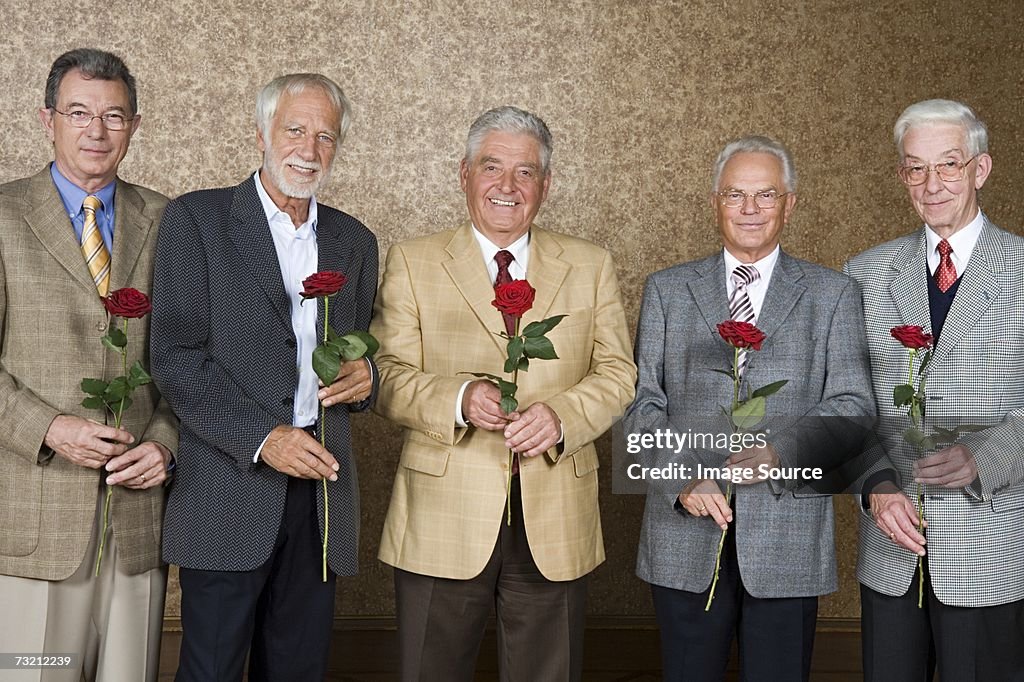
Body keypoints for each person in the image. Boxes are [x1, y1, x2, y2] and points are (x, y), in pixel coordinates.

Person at [371, 105, 636, 681]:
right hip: (442, 515)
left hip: (555, 513)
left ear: (546, 184)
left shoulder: (590, 265)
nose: (507, 187)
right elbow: (384, 375)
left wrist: (562, 416)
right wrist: (458, 398)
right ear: (463, 173)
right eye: (492, 167)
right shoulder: (413, 261)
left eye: (526, 172)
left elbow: (619, 374)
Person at [150, 73, 378, 682]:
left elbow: (355, 358)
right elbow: (176, 357)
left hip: (322, 495)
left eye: (325, 135)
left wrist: (366, 379)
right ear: (261, 134)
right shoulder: (196, 221)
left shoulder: (355, 242)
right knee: (211, 671)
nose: (309, 148)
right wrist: (264, 438)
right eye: (295, 129)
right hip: (227, 487)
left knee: (299, 669)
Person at [624, 136, 874, 682]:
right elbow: (641, 404)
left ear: (790, 203)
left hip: (788, 539)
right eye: (736, 195)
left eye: (765, 195)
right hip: (684, 537)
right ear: (715, 201)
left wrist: (779, 452)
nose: (751, 210)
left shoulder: (834, 294)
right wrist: (684, 481)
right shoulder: (667, 290)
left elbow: (854, 407)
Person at [0, 48, 177, 681]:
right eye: (78, 112)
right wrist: (50, 429)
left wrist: (164, 444)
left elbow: (191, 360)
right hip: (35, 524)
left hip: (137, 526)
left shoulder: (170, 221)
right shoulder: (2, 217)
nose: (96, 131)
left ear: (134, 125)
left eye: (114, 115)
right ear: (46, 119)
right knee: (31, 673)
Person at [845, 99, 1024, 681]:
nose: (931, 183)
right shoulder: (864, 273)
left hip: (991, 543)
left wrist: (984, 456)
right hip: (893, 547)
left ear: (981, 169)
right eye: (915, 168)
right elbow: (844, 407)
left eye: (948, 164)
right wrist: (875, 484)